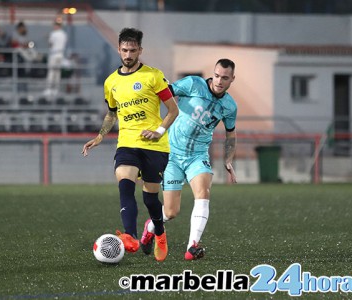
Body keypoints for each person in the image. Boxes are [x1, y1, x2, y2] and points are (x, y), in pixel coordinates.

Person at [81, 28, 179, 262]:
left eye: (132, 50)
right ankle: (130, 236)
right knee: (125, 183)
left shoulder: (153, 76)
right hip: (127, 143)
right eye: (124, 50)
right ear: (119, 49)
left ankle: (160, 233)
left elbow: (173, 110)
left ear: (140, 51)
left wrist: (159, 131)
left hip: (155, 146)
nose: (128, 54)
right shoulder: (111, 82)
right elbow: (111, 114)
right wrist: (100, 136)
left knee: (150, 199)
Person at [140, 59, 238, 260]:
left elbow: (231, 134)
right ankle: (150, 226)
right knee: (171, 212)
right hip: (172, 155)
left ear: (232, 80)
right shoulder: (193, 84)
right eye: (217, 75)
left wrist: (228, 160)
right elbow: (164, 93)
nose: (219, 81)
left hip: (198, 156)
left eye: (225, 78)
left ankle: (192, 246)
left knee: (203, 192)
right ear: (213, 73)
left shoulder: (230, 106)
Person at [43, 20, 67, 97]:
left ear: (58, 26)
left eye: (55, 25)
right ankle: (56, 89)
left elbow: (51, 44)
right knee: (57, 73)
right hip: (60, 55)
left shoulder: (53, 34)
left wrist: (48, 38)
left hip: (54, 55)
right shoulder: (64, 34)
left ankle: (49, 89)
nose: (54, 27)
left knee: (51, 72)